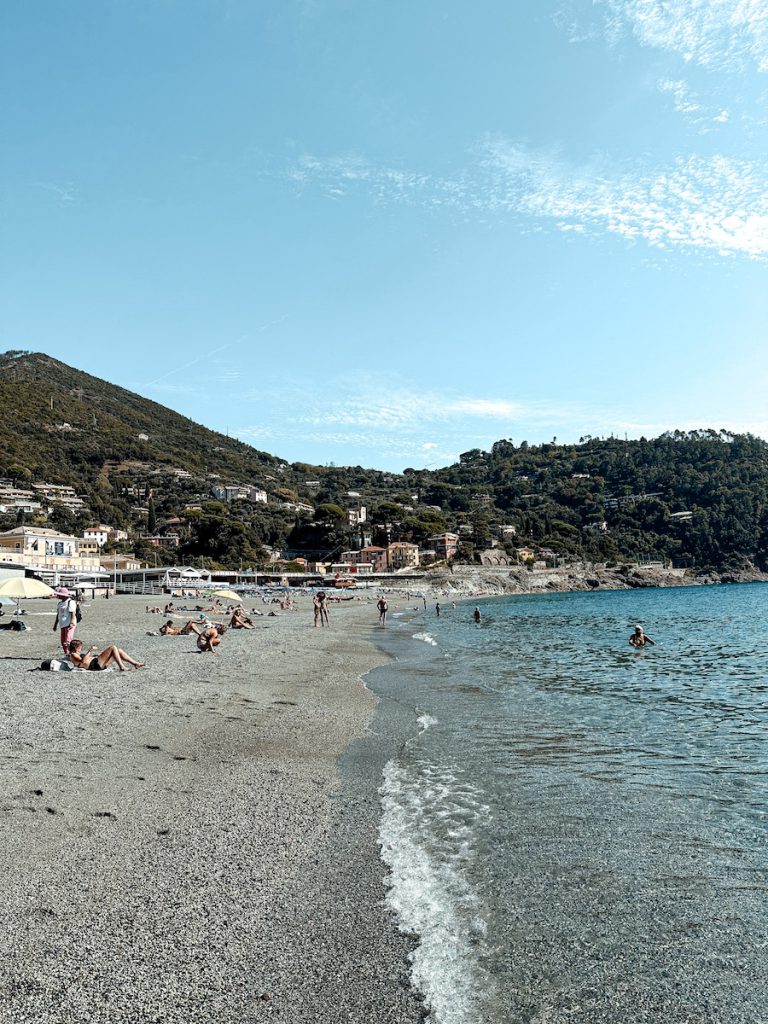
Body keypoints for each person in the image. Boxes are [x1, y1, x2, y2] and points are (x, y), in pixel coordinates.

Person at [69, 639, 145, 672]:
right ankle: (122, 667)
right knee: (113, 647)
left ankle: (135, 664)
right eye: (80, 647)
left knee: (119, 651)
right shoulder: (73, 655)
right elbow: (83, 661)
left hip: (97, 662)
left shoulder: (78, 654)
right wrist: (90, 650)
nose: (81, 648)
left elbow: (86, 658)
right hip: (95, 665)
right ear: (76, 647)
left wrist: (94, 655)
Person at [53, 587, 78, 655]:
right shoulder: (60, 604)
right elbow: (58, 614)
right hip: (62, 624)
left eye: (60, 594)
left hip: (69, 624)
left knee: (68, 640)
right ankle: (66, 654)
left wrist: (72, 622)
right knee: (63, 641)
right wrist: (55, 624)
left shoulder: (70, 602)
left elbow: (72, 613)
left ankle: (71, 654)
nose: (58, 596)